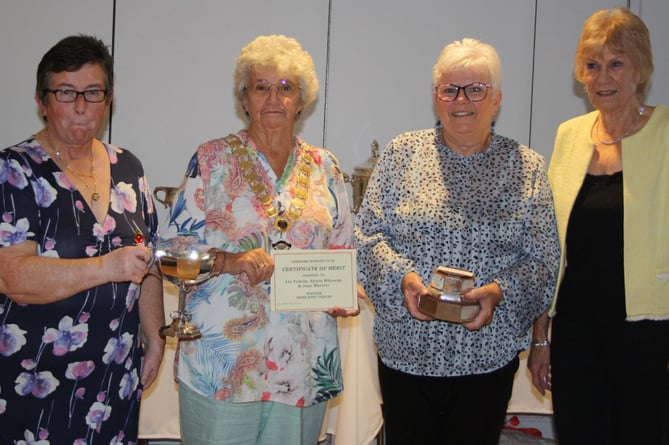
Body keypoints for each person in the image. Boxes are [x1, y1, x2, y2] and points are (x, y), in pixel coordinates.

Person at [354, 37, 560, 445]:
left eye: (476, 88)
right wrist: (404, 280)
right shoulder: (401, 154)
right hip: (407, 352)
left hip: (487, 354)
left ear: (496, 99)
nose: (461, 99)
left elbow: (543, 259)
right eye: (450, 89)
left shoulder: (527, 166)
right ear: (436, 97)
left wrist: (498, 292)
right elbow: (368, 237)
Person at [162, 34, 358, 445]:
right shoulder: (211, 159)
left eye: (286, 88)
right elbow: (170, 251)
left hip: (302, 365)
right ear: (244, 98)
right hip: (222, 364)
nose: (274, 98)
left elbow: (343, 252)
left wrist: (346, 292)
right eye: (262, 87)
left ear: (301, 100)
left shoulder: (327, 168)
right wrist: (227, 261)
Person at [0, 35, 164, 443]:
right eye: (66, 93)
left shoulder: (127, 166)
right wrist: (107, 266)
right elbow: (14, 278)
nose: (80, 107)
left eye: (92, 93)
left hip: (115, 375)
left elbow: (149, 259)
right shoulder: (15, 170)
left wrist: (155, 335)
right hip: (34, 378)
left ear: (108, 99)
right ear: (42, 101)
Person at [528, 8, 669, 445]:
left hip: (649, 332)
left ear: (640, 69)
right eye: (592, 65)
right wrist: (541, 337)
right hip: (575, 332)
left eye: (616, 64)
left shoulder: (666, 133)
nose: (602, 77)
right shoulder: (570, 135)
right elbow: (549, 243)